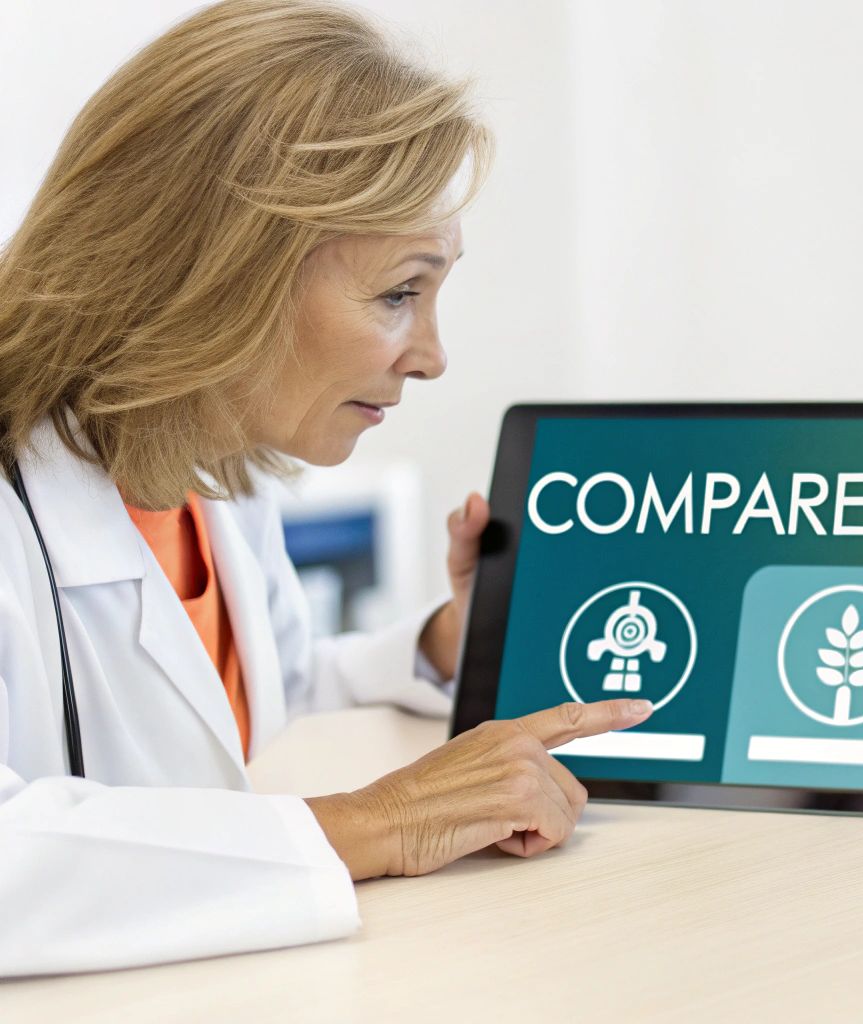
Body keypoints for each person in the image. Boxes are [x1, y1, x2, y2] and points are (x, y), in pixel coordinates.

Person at [0, 0, 651, 975]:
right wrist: (378, 822)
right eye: (399, 293)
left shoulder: (207, 474)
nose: (431, 356)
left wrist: (446, 647)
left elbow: (242, 701)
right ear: (223, 273)